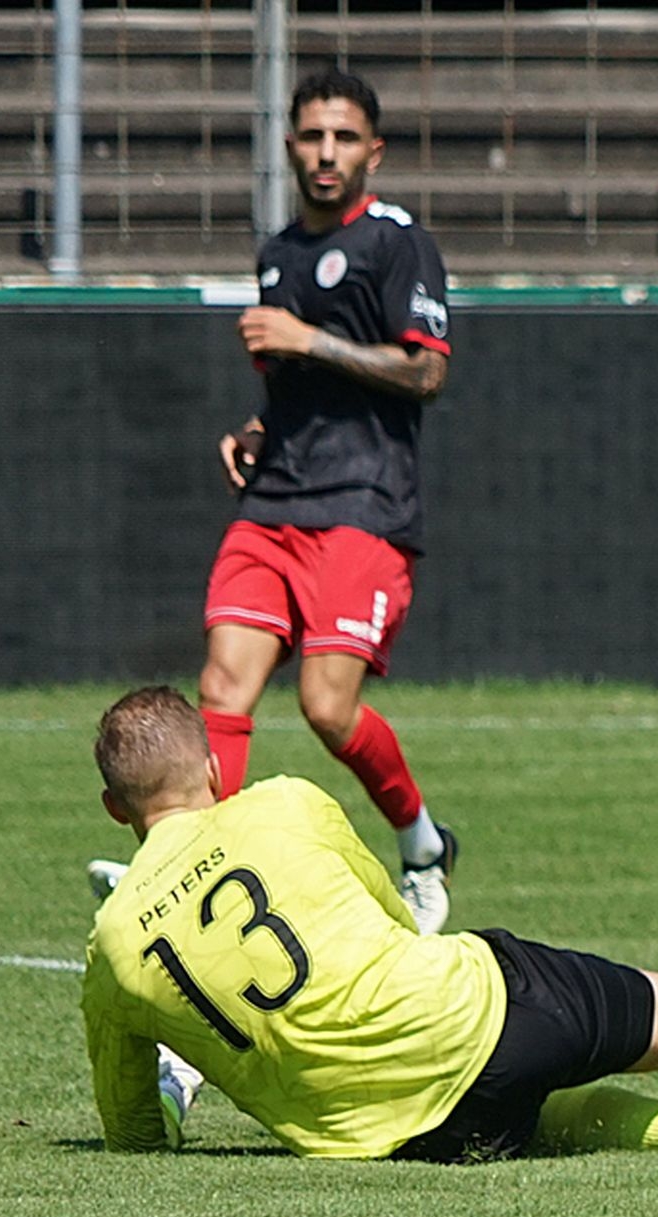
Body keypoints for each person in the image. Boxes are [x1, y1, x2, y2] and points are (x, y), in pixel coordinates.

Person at [83, 686, 658, 1162]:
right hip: (475, 1015)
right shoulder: (285, 801)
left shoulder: (114, 944)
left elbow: (129, 1132)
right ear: (216, 768)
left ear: (114, 808)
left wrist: (171, 1089)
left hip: (385, 1139)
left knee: (533, 1119)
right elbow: (391, 921)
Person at [193, 67, 456, 931]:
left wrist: (309, 338)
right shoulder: (277, 254)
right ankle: (191, 872)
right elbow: (296, 392)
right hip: (272, 504)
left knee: (326, 706)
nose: (327, 152)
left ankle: (422, 844)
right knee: (223, 687)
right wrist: (256, 432)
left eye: (344, 137)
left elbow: (425, 371)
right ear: (290, 146)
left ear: (373, 151)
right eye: (312, 136)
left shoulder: (395, 243)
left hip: (363, 505)